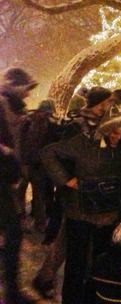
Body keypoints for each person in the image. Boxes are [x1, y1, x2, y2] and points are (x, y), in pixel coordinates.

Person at [41, 115, 121, 304]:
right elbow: (48, 153)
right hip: (80, 212)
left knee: (100, 260)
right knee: (76, 261)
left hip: (108, 213)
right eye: (114, 132)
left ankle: (93, 297)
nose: (117, 137)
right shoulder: (83, 142)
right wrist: (66, 180)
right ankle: (72, 299)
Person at [32, 86, 114, 299]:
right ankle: (69, 293)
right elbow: (54, 155)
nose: (110, 106)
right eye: (107, 102)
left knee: (73, 246)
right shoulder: (76, 127)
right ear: (98, 103)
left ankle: (47, 280)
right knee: (76, 252)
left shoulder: (105, 126)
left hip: (95, 198)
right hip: (77, 199)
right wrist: (67, 180)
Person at [0, 67, 39, 304]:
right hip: (0, 179)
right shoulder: (2, 105)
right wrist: (6, 153)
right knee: (13, 232)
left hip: (6, 180)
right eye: (26, 89)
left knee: (12, 232)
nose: (28, 95)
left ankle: (12, 289)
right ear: (15, 86)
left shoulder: (15, 108)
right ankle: (12, 292)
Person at [15, 98, 59, 233]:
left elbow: (18, 140)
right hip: (36, 165)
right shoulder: (49, 123)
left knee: (23, 192)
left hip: (27, 163)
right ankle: (38, 224)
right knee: (36, 194)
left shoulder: (27, 120)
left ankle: (22, 219)